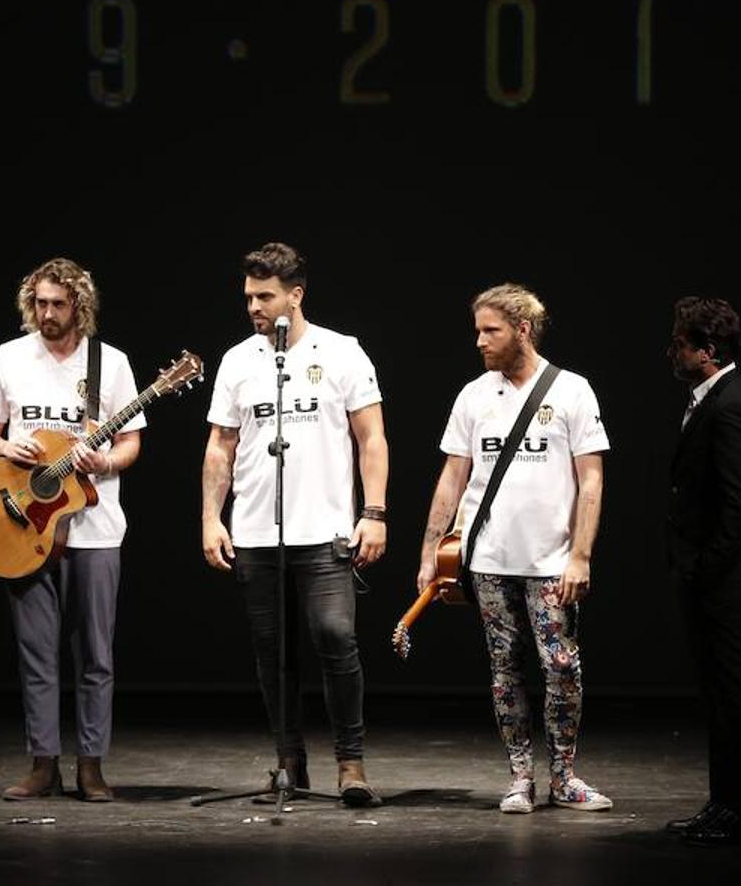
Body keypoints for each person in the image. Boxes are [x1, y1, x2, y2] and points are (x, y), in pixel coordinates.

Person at [201, 241, 388, 806]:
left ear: (295, 294)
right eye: (248, 297)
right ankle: (289, 762)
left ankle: (350, 765)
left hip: (327, 529)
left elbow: (371, 438)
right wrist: (212, 517)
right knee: (272, 652)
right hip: (257, 532)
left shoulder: (343, 352)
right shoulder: (238, 361)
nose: (253, 307)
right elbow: (220, 445)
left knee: (336, 637)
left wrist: (373, 512)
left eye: (265, 296)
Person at [415, 284, 612, 815]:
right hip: (489, 560)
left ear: (522, 329)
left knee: (562, 667)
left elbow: (590, 481)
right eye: (477, 330)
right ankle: (520, 776)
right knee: (504, 670)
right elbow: (453, 478)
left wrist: (581, 555)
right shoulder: (474, 396)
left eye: (490, 330)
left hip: (551, 560)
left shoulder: (572, 391)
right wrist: (431, 550)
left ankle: (563, 776)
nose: (479, 341)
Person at [0, 258, 144, 802]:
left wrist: (107, 463)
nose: (47, 314)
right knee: (36, 653)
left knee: (95, 656)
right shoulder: (9, 357)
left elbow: (132, 441)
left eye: (57, 305)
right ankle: (43, 763)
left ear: (79, 306)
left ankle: (91, 766)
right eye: (40, 303)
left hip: (94, 529)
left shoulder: (109, 364)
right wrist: (4, 446)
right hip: (27, 524)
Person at [664, 296, 741, 846]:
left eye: (679, 344)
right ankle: (724, 804)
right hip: (709, 577)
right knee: (720, 696)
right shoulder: (710, 398)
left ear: (706, 352)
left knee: (736, 696)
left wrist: (706, 568)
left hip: (724, 581)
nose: (671, 353)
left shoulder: (731, 405)